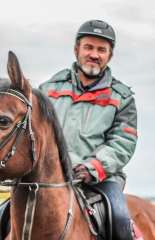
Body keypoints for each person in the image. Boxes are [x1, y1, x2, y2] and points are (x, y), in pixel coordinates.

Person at [39, 20, 138, 240]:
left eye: (101, 50)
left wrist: (91, 167)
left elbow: (123, 142)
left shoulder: (122, 98)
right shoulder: (48, 90)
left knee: (121, 219)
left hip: (102, 178)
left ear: (109, 56)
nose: (94, 54)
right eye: (88, 47)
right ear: (77, 50)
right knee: (2, 218)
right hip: (52, 177)